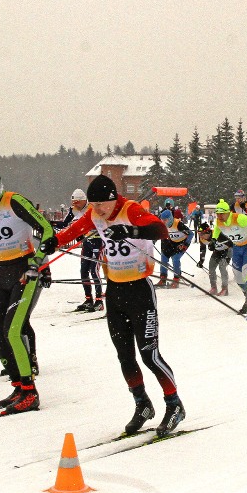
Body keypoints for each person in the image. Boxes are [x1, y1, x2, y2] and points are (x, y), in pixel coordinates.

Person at [56, 174, 186, 436]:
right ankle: (142, 404)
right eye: (92, 205)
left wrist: (130, 230)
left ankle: (174, 405)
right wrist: (51, 242)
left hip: (140, 290)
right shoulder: (95, 215)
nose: (96, 210)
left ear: (112, 199)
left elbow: (159, 230)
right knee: (125, 356)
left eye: (100, 204)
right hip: (115, 292)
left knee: (150, 354)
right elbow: (71, 233)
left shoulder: (131, 209)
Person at [0, 162, 55, 416]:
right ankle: (18, 386)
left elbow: (46, 229)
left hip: (24, 271)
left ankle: (30, 392)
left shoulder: (14, 201)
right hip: (2, 272)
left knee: (13, 330)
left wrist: (37, 264)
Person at [211, 199, 247, 314]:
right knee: (237, 276)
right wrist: (213, 239)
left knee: (246, 273)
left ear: (228, 212)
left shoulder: (239, 218)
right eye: (217, 214)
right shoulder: (219, 221)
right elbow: (217, 229)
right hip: (237, 248)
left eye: (222, 213)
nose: (219, 216)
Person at [57, 188, 105, 313]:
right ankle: (88, 300)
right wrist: (50, 224)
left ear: (84, 200)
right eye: (73, 202)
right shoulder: (73, 210)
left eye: (78, 202)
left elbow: (99, 222)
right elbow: (65, 224)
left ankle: (99, 301)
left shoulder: (92, 208)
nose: (75, 204)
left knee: (94, 270)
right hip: (87, 242)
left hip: (98, 241)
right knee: (83, 271)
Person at [157, 209, 192, 288]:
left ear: (170, 219)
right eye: (162, 220)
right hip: (172, 242)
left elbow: (191, 234)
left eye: (165, 220)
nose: (163, 222)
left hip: (182, 242)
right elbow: (159, 233)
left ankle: (176, 279)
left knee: (175, 258)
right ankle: (163, 279)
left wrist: (185, 244)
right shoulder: (163, 225)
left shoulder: (178, 224)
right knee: (164, 257)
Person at [197, 222, 231, 295]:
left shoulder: (218, 234)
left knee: (222, 267)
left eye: (202, 234)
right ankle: (214, 288)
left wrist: (228, 258)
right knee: (211, 267)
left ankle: (225, 288)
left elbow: (231, 244)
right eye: (199, 234)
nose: (201, 236)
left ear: (208, 232)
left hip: (227, 250)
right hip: (217, 252)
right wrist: (201, 261)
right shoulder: (202, 239)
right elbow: (202, 249)